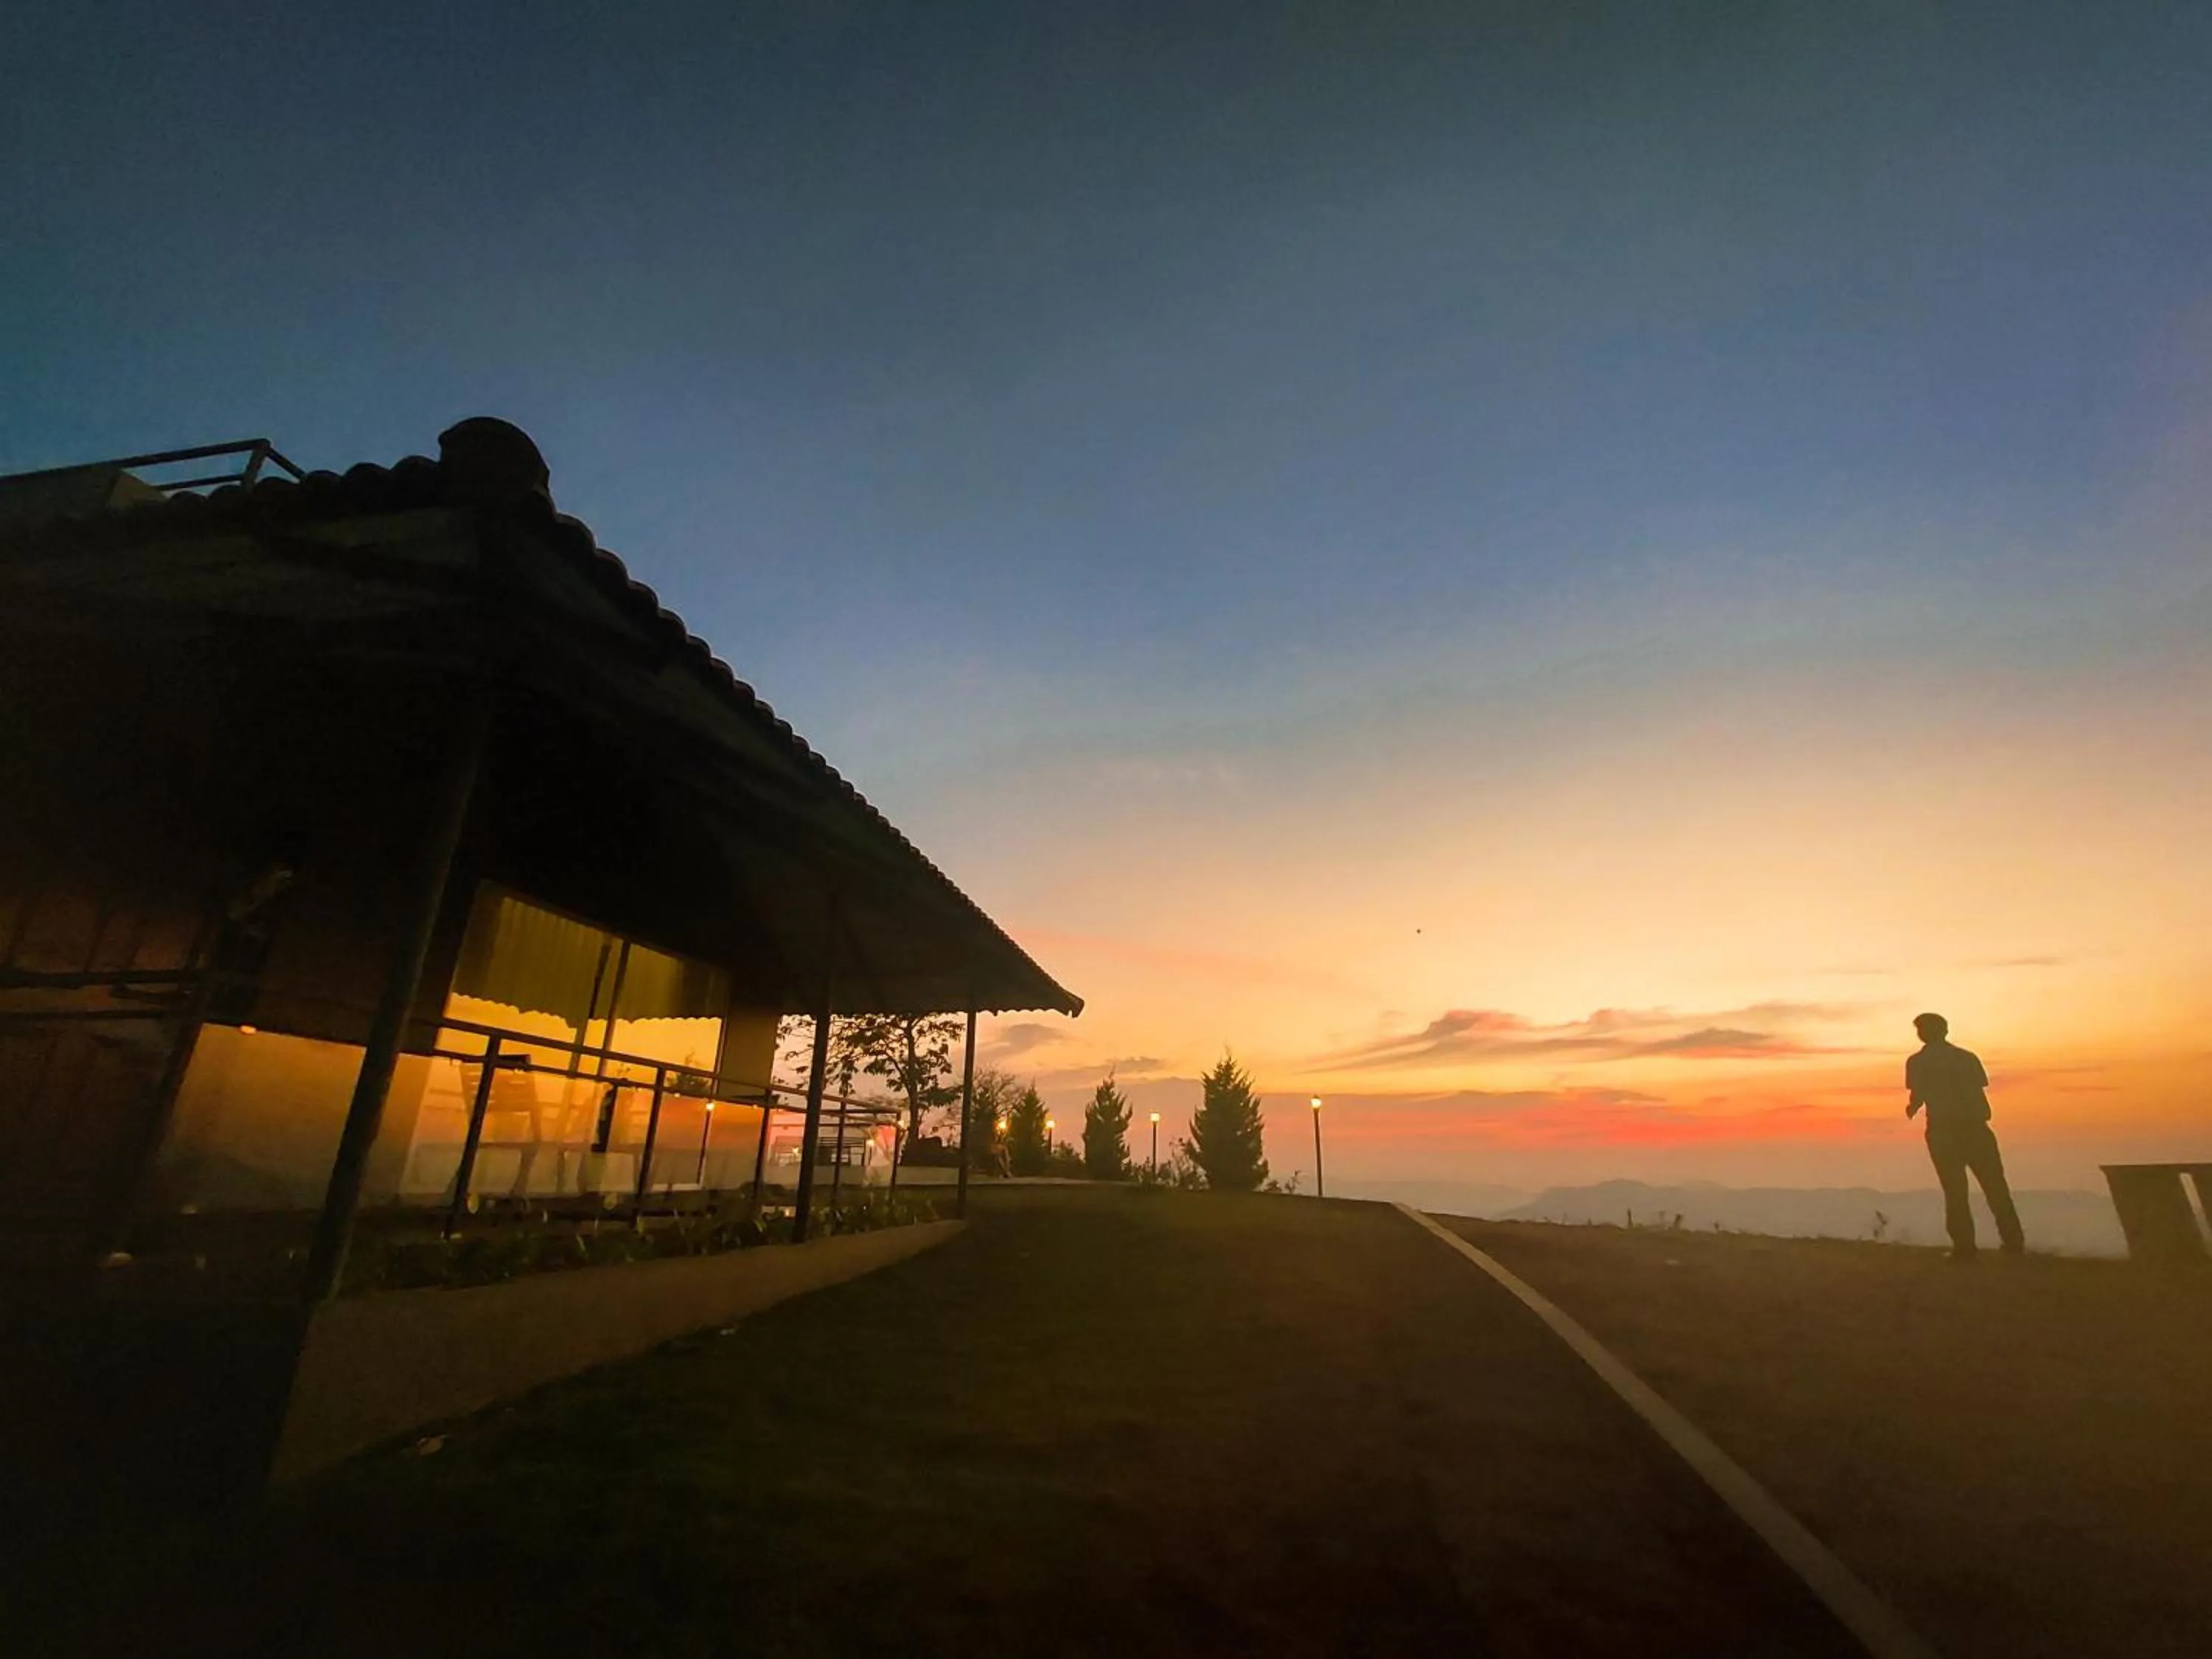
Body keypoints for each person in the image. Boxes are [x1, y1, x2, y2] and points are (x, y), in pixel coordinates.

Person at [1905, 1012, 2025, 1259]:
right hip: (1974, 1128)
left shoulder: (1918, 1062)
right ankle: (2013, 1244)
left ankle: (1965, 1247)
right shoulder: (1965, 1058)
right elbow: (1976, 1088)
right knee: (1995, 1187)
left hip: (1945, 1130)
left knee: (1955, 1189)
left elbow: (1919, 1092)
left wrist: (1913, 1107)